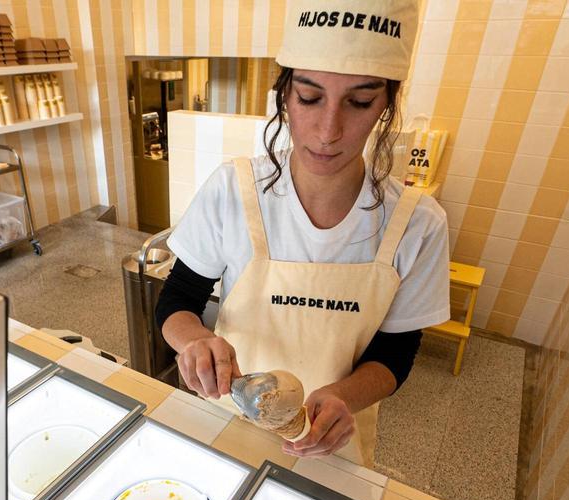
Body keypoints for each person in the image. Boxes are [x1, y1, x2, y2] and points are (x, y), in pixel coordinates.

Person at [154, 0, 449, 469]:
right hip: (227, 422)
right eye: (310, 98)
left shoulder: (417, 224)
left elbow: (396, 353)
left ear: (386, 105)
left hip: (332, 439)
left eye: (359, 102)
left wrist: (344, 396)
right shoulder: (233, 190)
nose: (328, 131)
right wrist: (193, 343)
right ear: (285, 96)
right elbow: (178, 300)